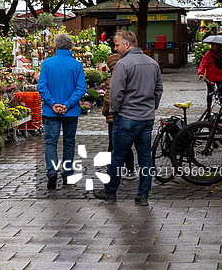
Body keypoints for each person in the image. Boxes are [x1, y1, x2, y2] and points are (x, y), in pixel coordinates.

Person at [94, 30, 163, 206]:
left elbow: (117, 93)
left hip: (126, 117)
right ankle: (143, 195)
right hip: (146, 118)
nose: (115, 48)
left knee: (118, 156)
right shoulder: (152, 63)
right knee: (145, 158)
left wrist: (115, 111)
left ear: (127, 44)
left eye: (117, 45)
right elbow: (158, 89)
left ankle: (110, 192)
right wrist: (151, 106)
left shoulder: (123, 64)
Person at [37, 33, 87, 190]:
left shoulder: (47, 63)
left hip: (51, 111)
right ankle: (67, 174)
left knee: (51, 142)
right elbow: (81, 88)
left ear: (56, 46)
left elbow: (42, 87)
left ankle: (52, 172)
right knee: (69, 142)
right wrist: (67, 104)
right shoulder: (76, 65)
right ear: (71, 47)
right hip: (70, 112)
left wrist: (52, 104)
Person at [101, 53, 136, 180]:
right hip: (128, 115)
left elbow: (108, 101)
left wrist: (105, 112)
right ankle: (130, 168)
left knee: (113, 144)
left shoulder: (112, 80)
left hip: (113, 118)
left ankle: (112, 169)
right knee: (127, 143)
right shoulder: (129, 77)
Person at [198, 42, 222, 108]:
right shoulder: (208, 54)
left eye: (214, 44)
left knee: (221, 93)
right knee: (210, 93)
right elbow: (203, 64)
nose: (212, 46)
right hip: (210, 77)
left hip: (220, 76)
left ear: (218, 45)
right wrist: (200, 73)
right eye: (211, 44)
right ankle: (209, 108)